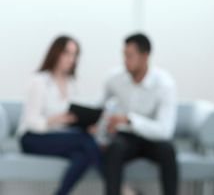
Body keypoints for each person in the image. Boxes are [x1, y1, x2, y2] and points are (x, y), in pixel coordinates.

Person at [18, 35, 103, 195]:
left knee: (82, 155)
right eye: (67, 53)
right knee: (85, 141)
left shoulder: (71, 83)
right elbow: (31, 121)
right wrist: (54, 120)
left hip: (58, 137)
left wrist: (81, 122)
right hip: (33, 138)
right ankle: (121, 189)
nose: (71, 59)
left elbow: (69, 118)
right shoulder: (39, 81)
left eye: (75, 55)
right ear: (56, 53)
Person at [101, 33, 178, 195]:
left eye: (130, 56)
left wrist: (130, 120)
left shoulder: (164, 84)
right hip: (126, 138)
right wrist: (100, 127)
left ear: (145, 56)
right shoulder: (115, 79)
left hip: (153, 139)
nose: (125, 61)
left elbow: (165, 131)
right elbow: (100, 106)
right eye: (124, 55)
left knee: (168, 150)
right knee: (114, 149)